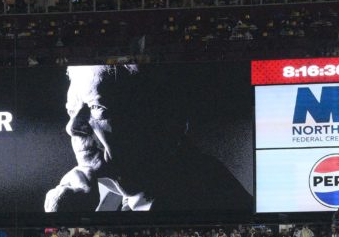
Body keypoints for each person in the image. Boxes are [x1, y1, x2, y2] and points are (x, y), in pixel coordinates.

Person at [43, 63, 250, 213]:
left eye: (97, 108)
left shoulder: (211, 200)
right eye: (71, 110)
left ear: (160, 119)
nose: (72, 128)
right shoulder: (91, 196)